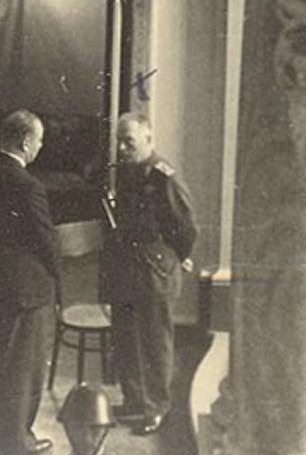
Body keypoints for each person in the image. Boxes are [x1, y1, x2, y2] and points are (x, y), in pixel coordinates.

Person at [103, 112, 197, 436]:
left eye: (128, 142)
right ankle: (133, 401)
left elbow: (187, 228)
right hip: (127, 267)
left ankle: (156, 408)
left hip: (155, 271)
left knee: (154, 343)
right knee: (126, 338)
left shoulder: (164, 177)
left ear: (148, 139)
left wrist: (174, 258)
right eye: (119, 141)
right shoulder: (128, 173)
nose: (122, 148)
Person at [0, 110, 59, 455]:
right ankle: (18, 444)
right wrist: (57, 278)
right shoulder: (28, 186)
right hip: (24, 292)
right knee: (22, 372)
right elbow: (46, 241)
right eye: (39, 140)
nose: (40, 147)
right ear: (25, 142)